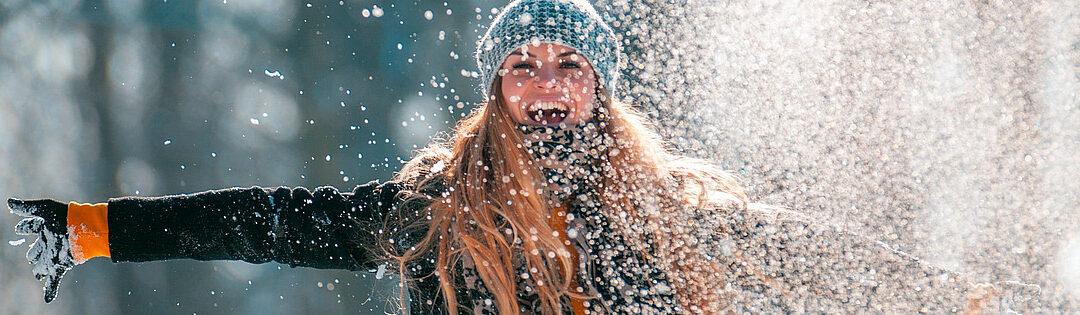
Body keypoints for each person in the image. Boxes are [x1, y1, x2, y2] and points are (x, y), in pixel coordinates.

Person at [7, 0, 1026, 313]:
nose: (546, 82)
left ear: (599, 86)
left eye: (568, 64)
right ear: (497, 88)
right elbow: (264, 217)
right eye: (523, 65)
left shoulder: (672, 211)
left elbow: (807, 255)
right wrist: (92, 231)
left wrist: (956, 298)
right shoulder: (433, 213)